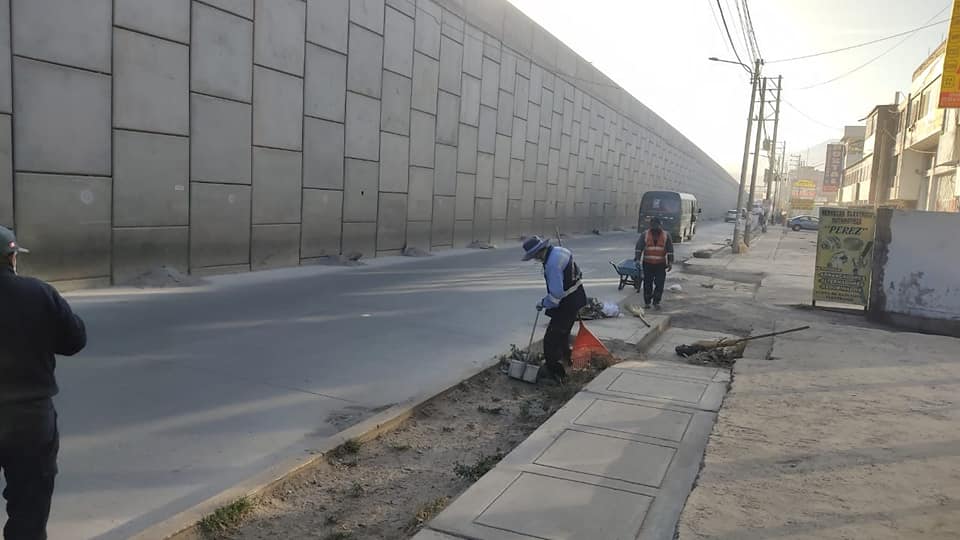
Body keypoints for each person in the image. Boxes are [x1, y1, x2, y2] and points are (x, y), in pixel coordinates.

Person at [0, 226, 86, 540]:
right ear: (12, 258)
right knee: (29, 508)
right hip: (30, 419)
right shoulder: (38, 292)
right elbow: (74, 340)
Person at [521, 236, 587, 383]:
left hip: (567, 303)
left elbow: (556, 295)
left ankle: (555, 373)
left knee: (551, 340)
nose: (535, 259)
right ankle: (567, 362)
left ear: (538, 252)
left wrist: (543, 303)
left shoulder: (552, 264)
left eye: (534, 256)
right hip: (577, 295)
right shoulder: (560, 251)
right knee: (563, 335)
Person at [635, 217, 675, 310]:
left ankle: (656, 302)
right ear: (650, 225)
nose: (655, 227)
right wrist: (637, 259)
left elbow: (670, 250)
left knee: (659, 283)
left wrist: (670, 262)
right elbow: (639, 247)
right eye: (653, 225)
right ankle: (647, 302)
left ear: (660, 225)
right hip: (647, 263)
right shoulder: (645, 234)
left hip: (660, 264)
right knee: (647, 283)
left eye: (657, 225)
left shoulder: (666, 235)